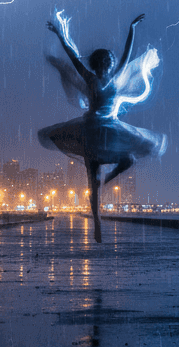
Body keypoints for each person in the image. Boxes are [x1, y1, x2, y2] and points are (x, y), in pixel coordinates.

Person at [38, 12, 167, 242]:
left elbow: (127, 55)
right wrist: (59, 33)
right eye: (105, 60)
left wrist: (132, 28)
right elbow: (72, 56)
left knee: (129, 159)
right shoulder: (89, 78)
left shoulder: (116, 76)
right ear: (98, 64)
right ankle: (97, 222)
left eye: (110, 59)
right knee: (92, 180)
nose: (109, 62)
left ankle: (108, 180)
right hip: (90, 130)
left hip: (112, 127)